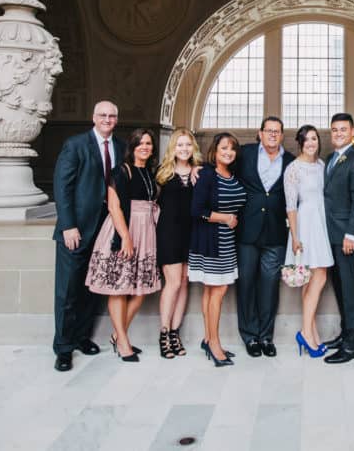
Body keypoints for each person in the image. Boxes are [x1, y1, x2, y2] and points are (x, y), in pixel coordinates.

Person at [51, 100, 126, 372]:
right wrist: (68, 225)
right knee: (68, 291)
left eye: (112, 116)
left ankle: (82, 337)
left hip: (104, 231)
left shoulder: (120, 146)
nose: (107, 119)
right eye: (103, 115)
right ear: (94, 117)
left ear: (116, 119)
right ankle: (63, 347)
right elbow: (62, 187)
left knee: (91, 288)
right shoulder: (76, 145)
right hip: (77, 230)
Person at [85, 128, 161, 362]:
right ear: (133, 146)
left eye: (149, 143)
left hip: (146, 231)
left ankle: (118, 335)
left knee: (139, 291)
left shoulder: (150, 172)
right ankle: (123, 342)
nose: (145, 147)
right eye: (141, 143)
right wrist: (126, 238)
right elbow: (114, 207)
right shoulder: (121, 171)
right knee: (118, 288)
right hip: (123, 230)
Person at [233, 116, 295, 358]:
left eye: (277, 131)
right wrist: (199, 169)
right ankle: (249, 336)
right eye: (268, 131)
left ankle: (266, 336)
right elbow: (221, 164)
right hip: (247, 230)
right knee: (246, 284)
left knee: (269, 286)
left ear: (282, 135)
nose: (272, 135)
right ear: (259, 133)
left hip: (276, 233)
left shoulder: (290, 161)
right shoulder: (245, 154)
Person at [189, 132, 245, 367]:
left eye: (232, 149)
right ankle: (214, 343)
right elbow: (196, 210)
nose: (228, 152)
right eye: (223, 148)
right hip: (210, 243)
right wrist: (226, 218)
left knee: (213, 292)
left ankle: (208, 338)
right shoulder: (206, 176)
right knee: (217, 291)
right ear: (215, 151)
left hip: (227, 243)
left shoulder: (234, 175)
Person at [321, 112, 354, 364]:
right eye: (334, 130)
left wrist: (352, 234)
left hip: (347, 238)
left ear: (352, 133)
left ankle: (353, 346)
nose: (338, 133)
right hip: (331, 235)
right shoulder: (330, 158)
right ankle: (345, 335)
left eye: (343, 129)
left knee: (351, 291)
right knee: (340, 288)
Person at [283, 125, 334, 357]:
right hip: (305, 224)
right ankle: (306, 332)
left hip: (321, 222)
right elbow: (291, 206)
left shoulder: (322, 165)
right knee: (317, 275)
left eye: (314, 138)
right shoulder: (293, 169)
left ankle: (310, 332)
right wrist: (295, 237)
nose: (312, 143)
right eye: (307, 139)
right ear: (300, 143)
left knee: (312, 281)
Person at [154, 127, 201, 359]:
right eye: (180, 144)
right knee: (172, 283)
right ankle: (164, 332)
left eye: (188, 145)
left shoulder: (199, 173)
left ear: (193, 148)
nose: (184, 149)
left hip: (191, 234)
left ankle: (175, 332)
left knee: (184, 282)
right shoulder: (162, 174)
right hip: (169, 234)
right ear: (173, 147)